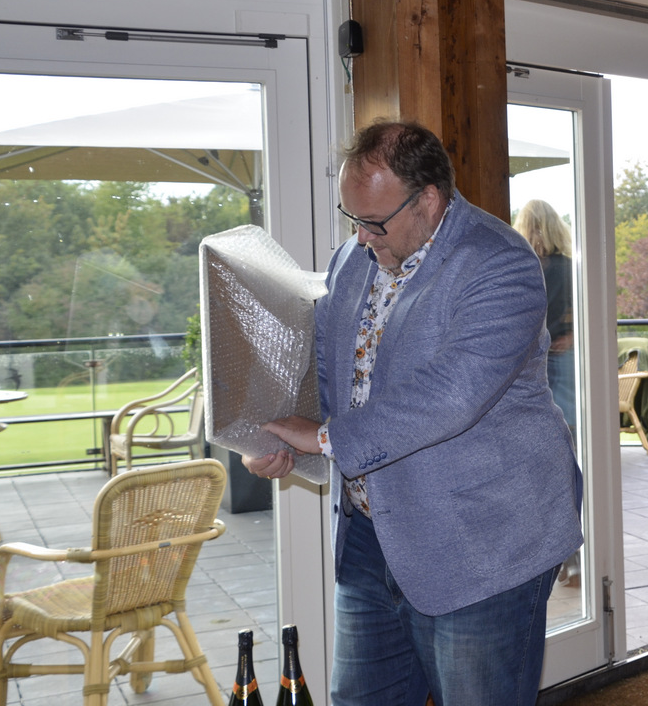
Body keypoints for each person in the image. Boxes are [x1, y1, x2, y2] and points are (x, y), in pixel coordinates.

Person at [245, 120, 583, 706]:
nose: (361, 236)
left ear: (428, 199)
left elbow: (451, 393)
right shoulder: (354, 259)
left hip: (482, 541)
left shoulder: (500, 262)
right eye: (353, 219)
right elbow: (328, 368)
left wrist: (323, 437)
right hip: (370, 536)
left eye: (374, 221)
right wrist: (280, 437)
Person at [513, 199, 576, 439]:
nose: (535, 234)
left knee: (547, 416)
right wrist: (571, 336)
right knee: (567, 416)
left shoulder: (521, 269)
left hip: (539, 351)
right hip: (555, 349)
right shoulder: (568, 267)